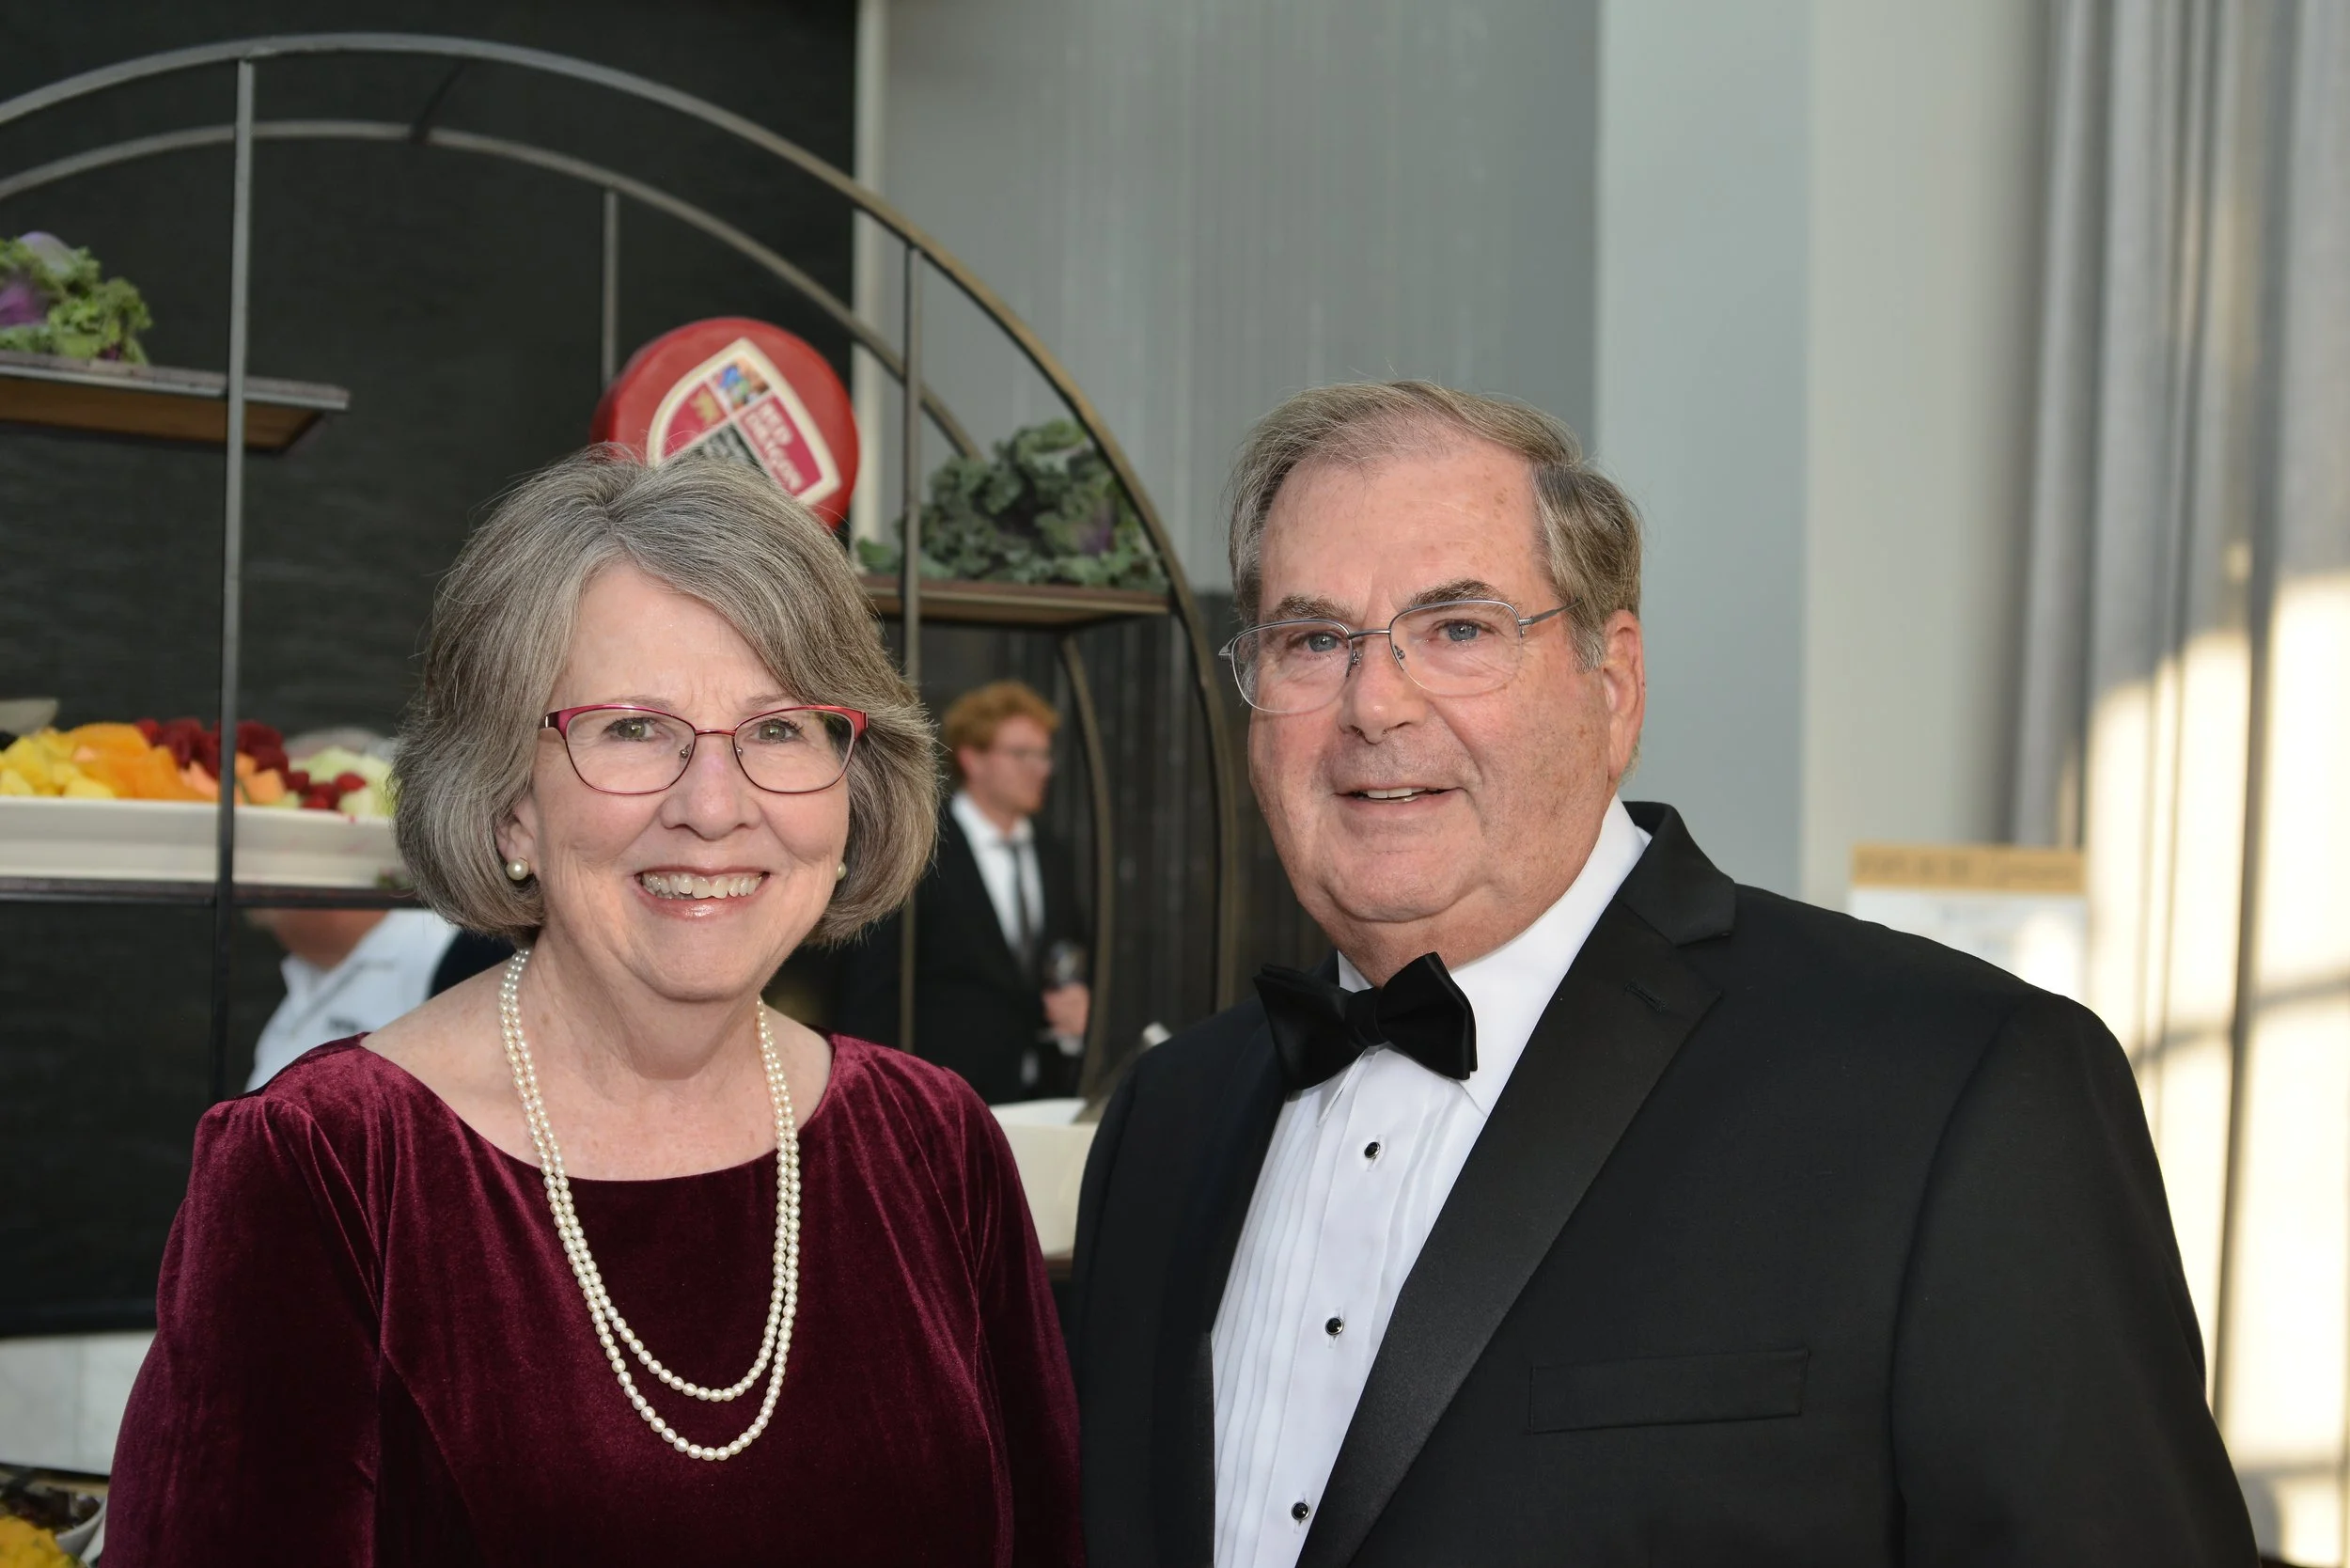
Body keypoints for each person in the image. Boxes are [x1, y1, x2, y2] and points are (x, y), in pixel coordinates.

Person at [1066, 381, 2255, 1567]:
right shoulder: (1165, 1121)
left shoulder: (1957, 1087)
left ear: (1613, 685)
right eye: (1313, 641)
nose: (1374, 703)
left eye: (1460, 630)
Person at [109, 452, 1082, 1565]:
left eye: (777, 728)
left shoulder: (934, 1141)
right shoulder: (328, 1164)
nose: (713, 807)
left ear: (850, 788)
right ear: (508, 805)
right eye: (631, 728)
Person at [835, 680, 1090, 1103]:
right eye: (1022, 754)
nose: (1041, 768)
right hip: (938, 1095)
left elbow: (1068, 956)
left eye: (1044, 754)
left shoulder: (1052, 855)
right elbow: (873, 985)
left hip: (1040, 1095)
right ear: (973, 759)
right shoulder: (921, 849)